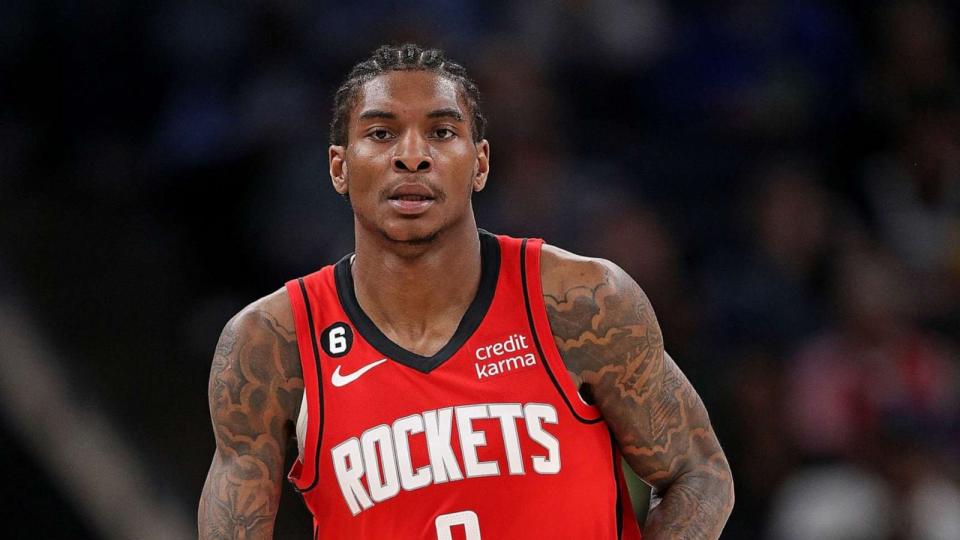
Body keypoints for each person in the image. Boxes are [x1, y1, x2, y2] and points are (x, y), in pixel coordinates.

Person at [198, 43, 734, 539]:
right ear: (339, 167)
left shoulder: (581, 301)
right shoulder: (271, 342)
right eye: (381, 133)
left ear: (479, 163)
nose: (412, 156)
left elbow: (698, 473)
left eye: (441, 132)